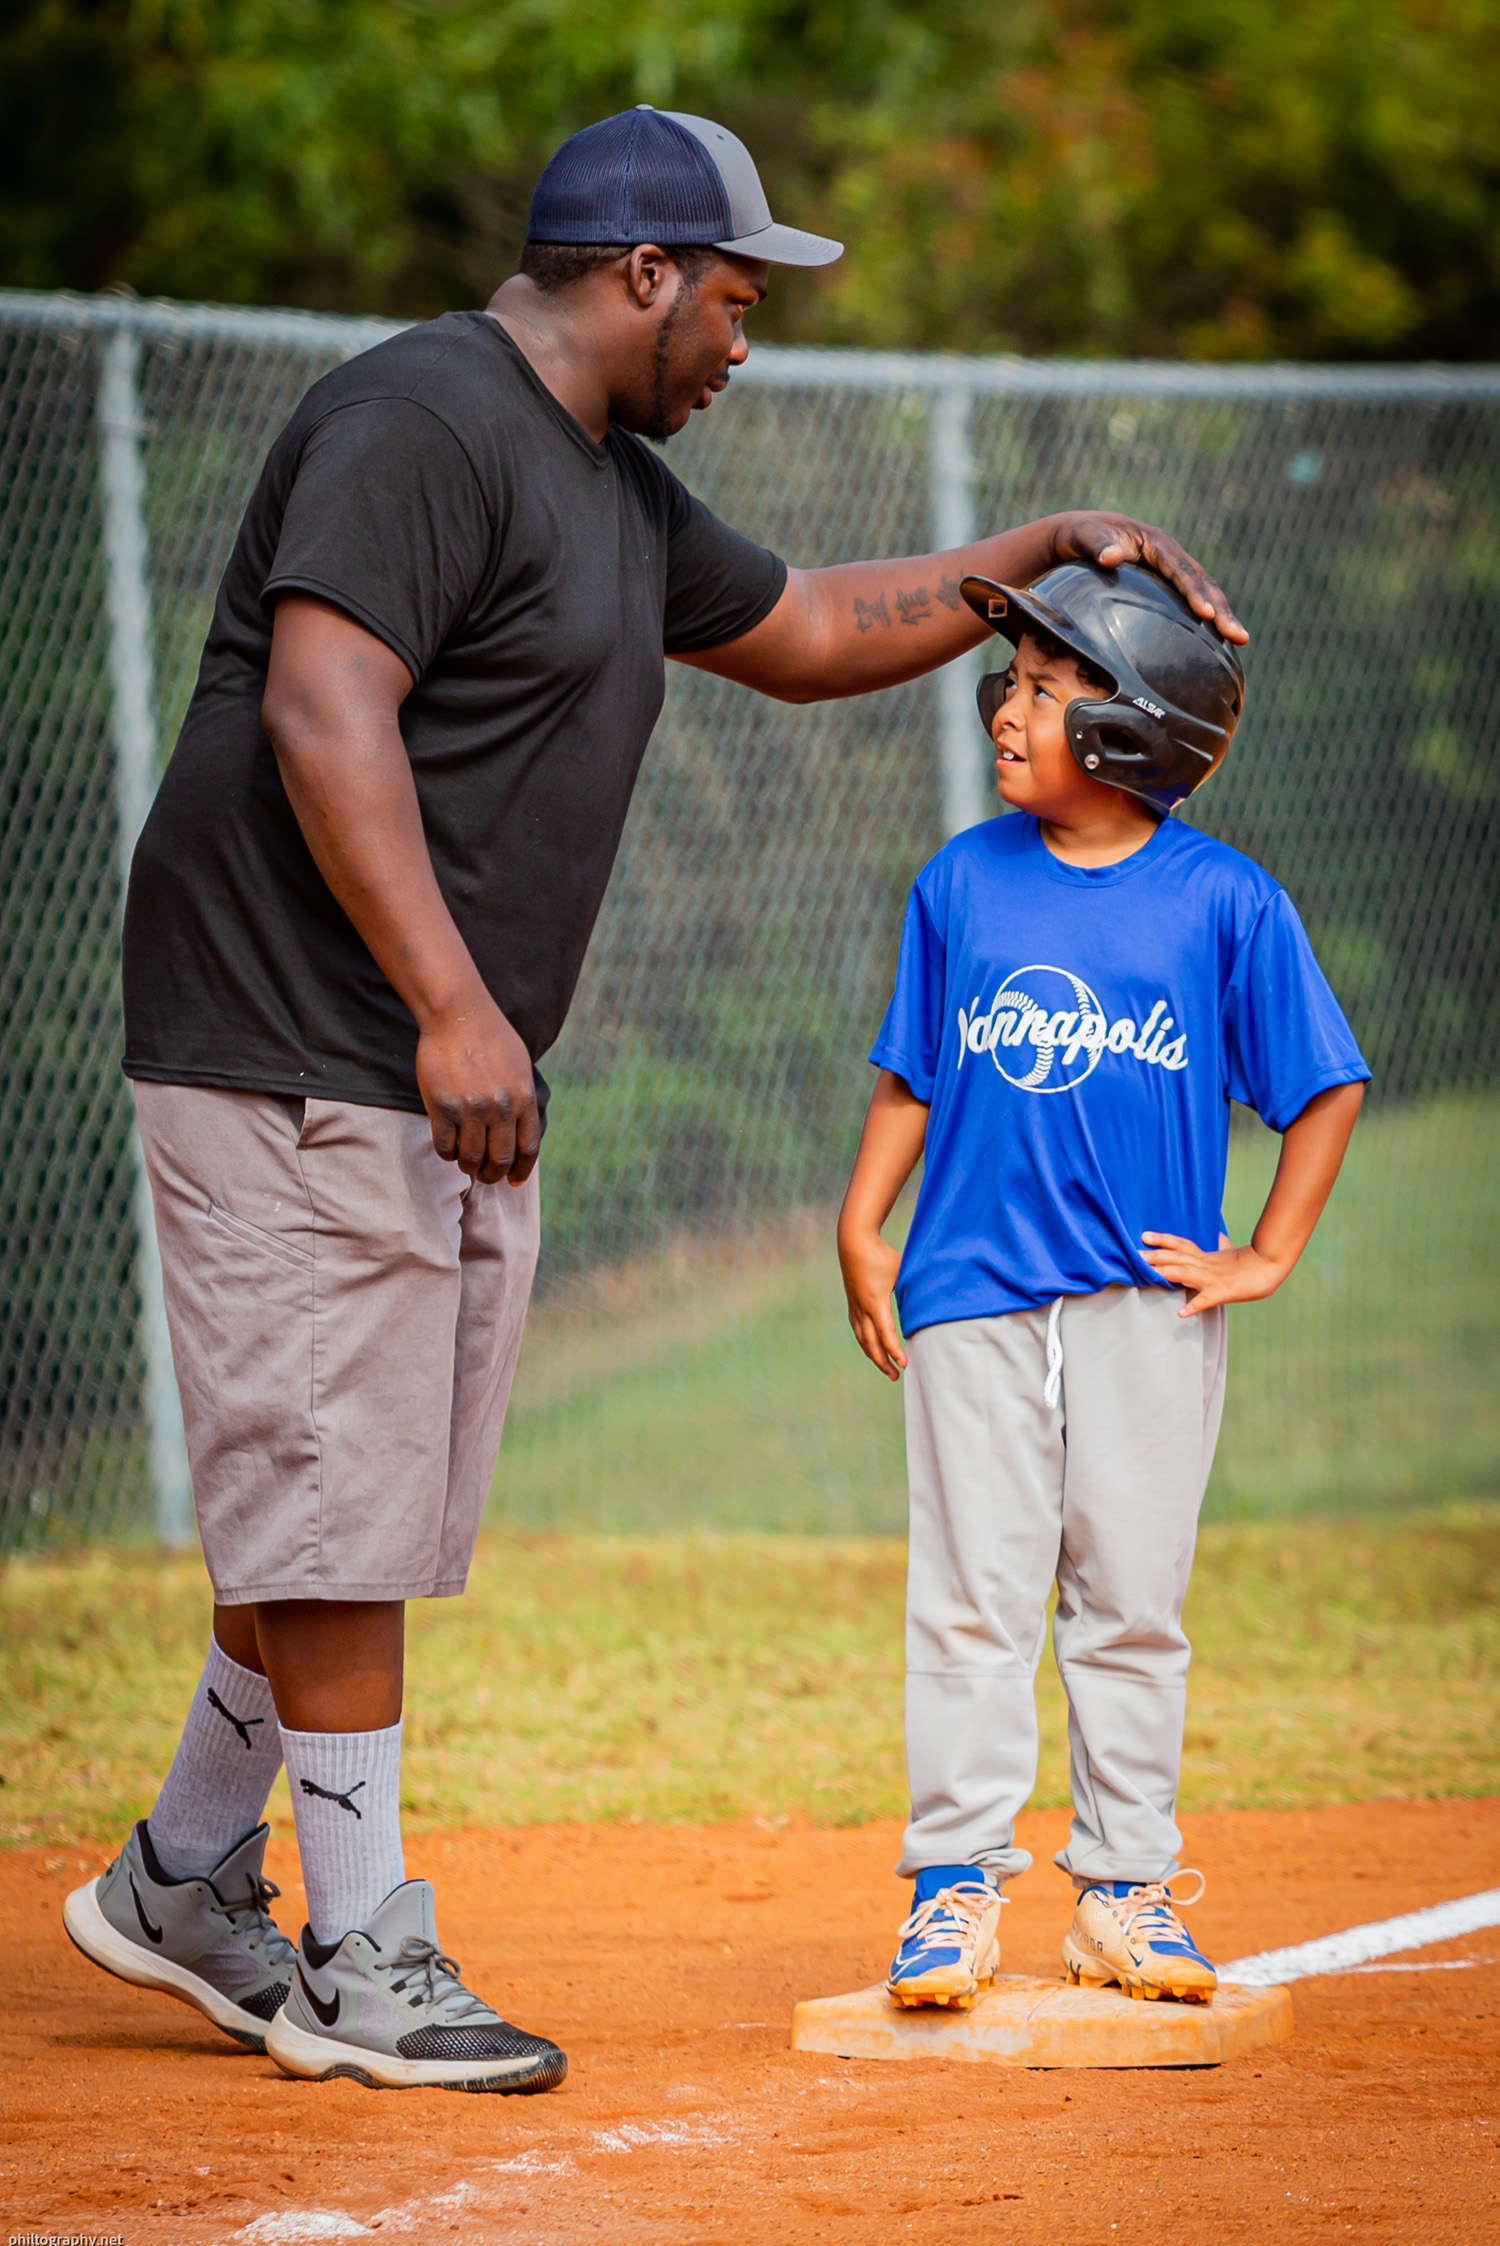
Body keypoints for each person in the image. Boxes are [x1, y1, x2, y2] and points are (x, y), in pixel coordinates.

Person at [63, 104, 1244, 2094]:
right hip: (295, 1035)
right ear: (639, 274)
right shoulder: (419, 425)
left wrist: (1029, 559)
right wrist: (450, 1003)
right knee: (342, 1506)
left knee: (354, 1490)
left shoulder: (606, 481)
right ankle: (359, 1948)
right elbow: (319, 698)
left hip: (416, 1060)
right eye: (734, 295)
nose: (745, 339)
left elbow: (798, 631)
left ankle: (189, 1870)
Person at [837, 560, 1367, 2011]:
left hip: (1149, 1302)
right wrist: (862, 1219)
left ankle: (1124, 1889)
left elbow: (1322, 1086)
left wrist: (1269, 1249)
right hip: (971, 1291)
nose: (1008, 710)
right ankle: (953, 1887)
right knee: (971, 1600)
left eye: (1044, 693)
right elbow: (912, 1072)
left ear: (1134, 729)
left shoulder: (1224, 903)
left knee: (1130, 1598)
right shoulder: (961, 881)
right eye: (1013, 685)